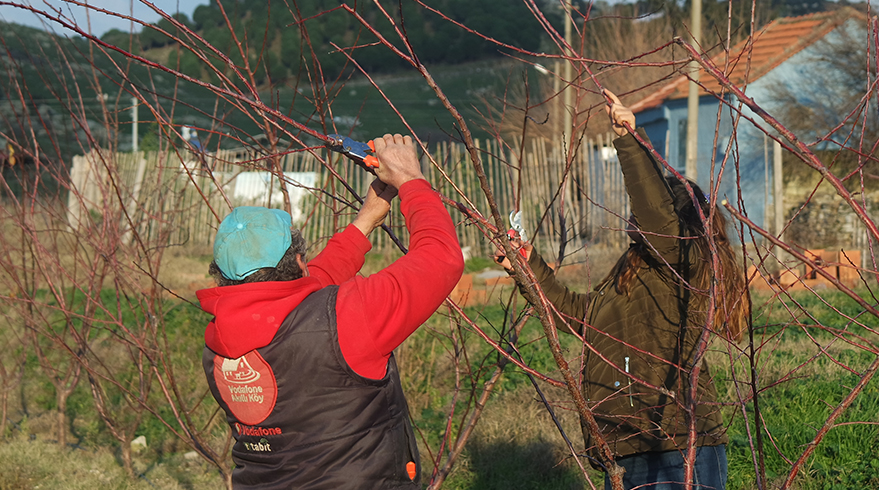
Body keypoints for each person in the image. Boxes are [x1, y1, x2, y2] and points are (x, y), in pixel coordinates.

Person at [497, 90, 749, 490]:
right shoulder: (636, 267)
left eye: (653, 207)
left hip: (675, 446)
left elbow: (655, 216)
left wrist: (631, 143)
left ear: (681, 222)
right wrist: (528, 264)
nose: (634, 210)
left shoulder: (684, 262)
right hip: (627, 445)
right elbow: (579, 318)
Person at [197, 134, 464, 489]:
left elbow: (307, 289)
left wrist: (365, 222)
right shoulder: (346, 319)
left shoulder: (217, 343)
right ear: (297, 261)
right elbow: (439, 260)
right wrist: (410, 180)